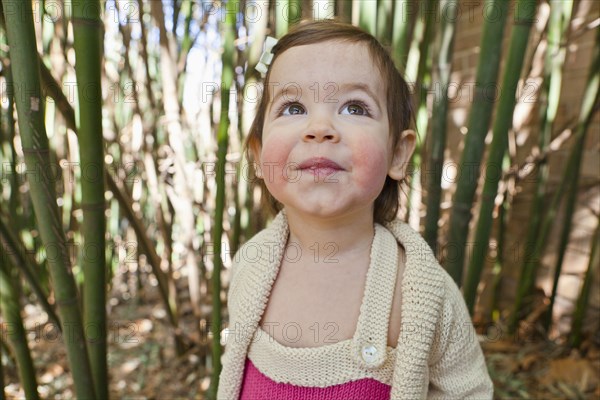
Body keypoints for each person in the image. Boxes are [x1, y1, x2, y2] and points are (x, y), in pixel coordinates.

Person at [217, 19, 493, 399]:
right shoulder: (250, 265)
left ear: (398, 154)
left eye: (354, 107)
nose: (320, 127)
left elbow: (470, 391)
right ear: (258, 156)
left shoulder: (424, 295)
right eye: (293, 106)